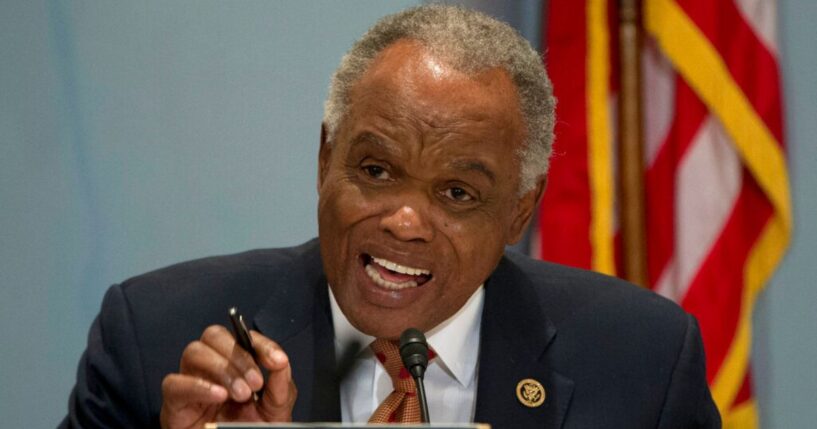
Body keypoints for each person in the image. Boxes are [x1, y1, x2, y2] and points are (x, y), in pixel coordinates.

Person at [61, 5, 720, 428]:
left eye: (458, 193)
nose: (405, 221)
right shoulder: (153, 339)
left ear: (519, 209)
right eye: (375, 171)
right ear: (325, 157)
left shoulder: (641, 364)